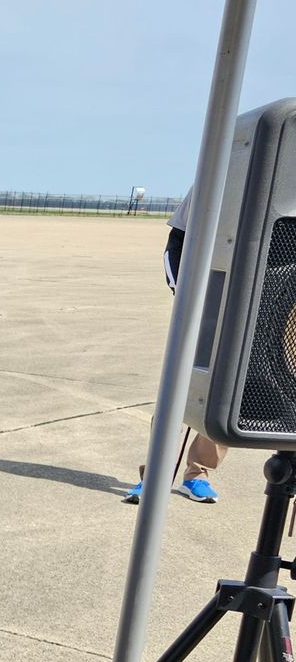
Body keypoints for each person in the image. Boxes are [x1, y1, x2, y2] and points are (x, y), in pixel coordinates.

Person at [125, 193, 224, 505]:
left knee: (222, 395)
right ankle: (156, 475)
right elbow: (177, 240)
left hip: (251, 310)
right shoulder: (217, 168)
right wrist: (182, 292)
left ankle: (198, 473)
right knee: (177, 389)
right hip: (200, 302)